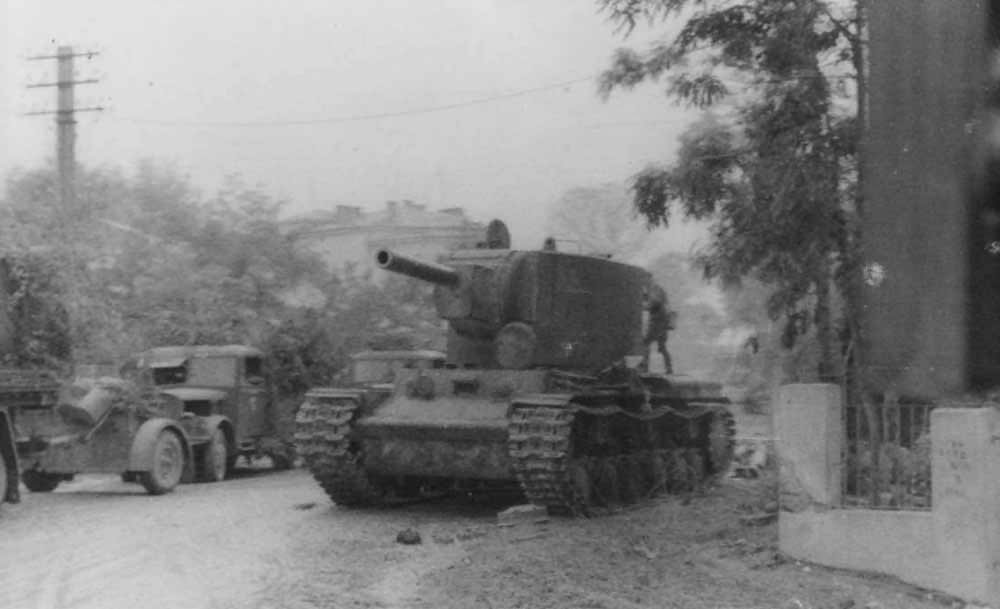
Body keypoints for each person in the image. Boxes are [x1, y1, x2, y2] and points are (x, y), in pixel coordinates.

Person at [642, 284, 674, 374]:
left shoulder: (654, 290)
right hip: (662, 326)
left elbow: (652, 304)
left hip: (656, 325)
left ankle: (644, 367)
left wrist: (642, 305)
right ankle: (669, 368)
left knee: (645, 344)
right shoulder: (658, 290)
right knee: (662, 347)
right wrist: (645, 297)